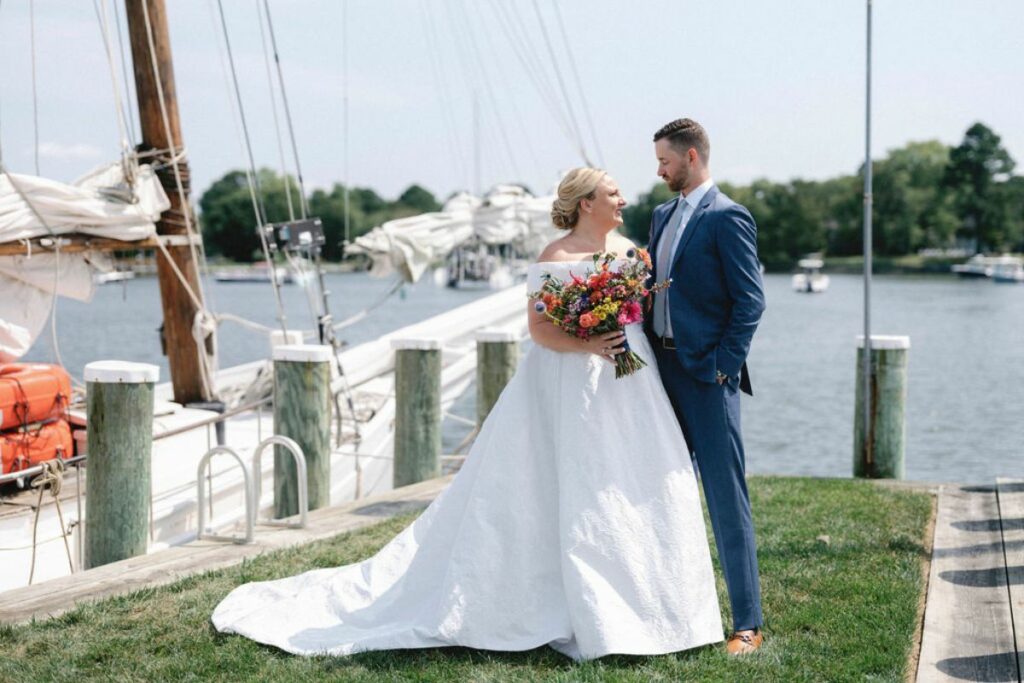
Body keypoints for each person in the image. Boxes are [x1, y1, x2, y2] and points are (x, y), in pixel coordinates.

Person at [211, 167, 724, 661]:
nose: (622, 199)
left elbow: (642, 312)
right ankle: (568, 607)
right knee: (564, 485)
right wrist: (591, 344)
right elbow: (542, 330)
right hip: (567, 381)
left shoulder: (631, 252)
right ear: (586, 202)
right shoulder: (554, 256)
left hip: (631, 384)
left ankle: (658, 608)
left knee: (637, 483)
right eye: (612, 192)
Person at [645, 118, 767, 654]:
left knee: (724, 497)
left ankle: (747, 623)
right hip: (660, 376)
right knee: (661, 492)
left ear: (691, 157)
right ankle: (668, 609)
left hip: (707, 378)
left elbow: (751, 301)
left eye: (665, 160)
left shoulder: (728, 217)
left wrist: (723, 366)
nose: (659, 169)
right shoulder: (660, 215)